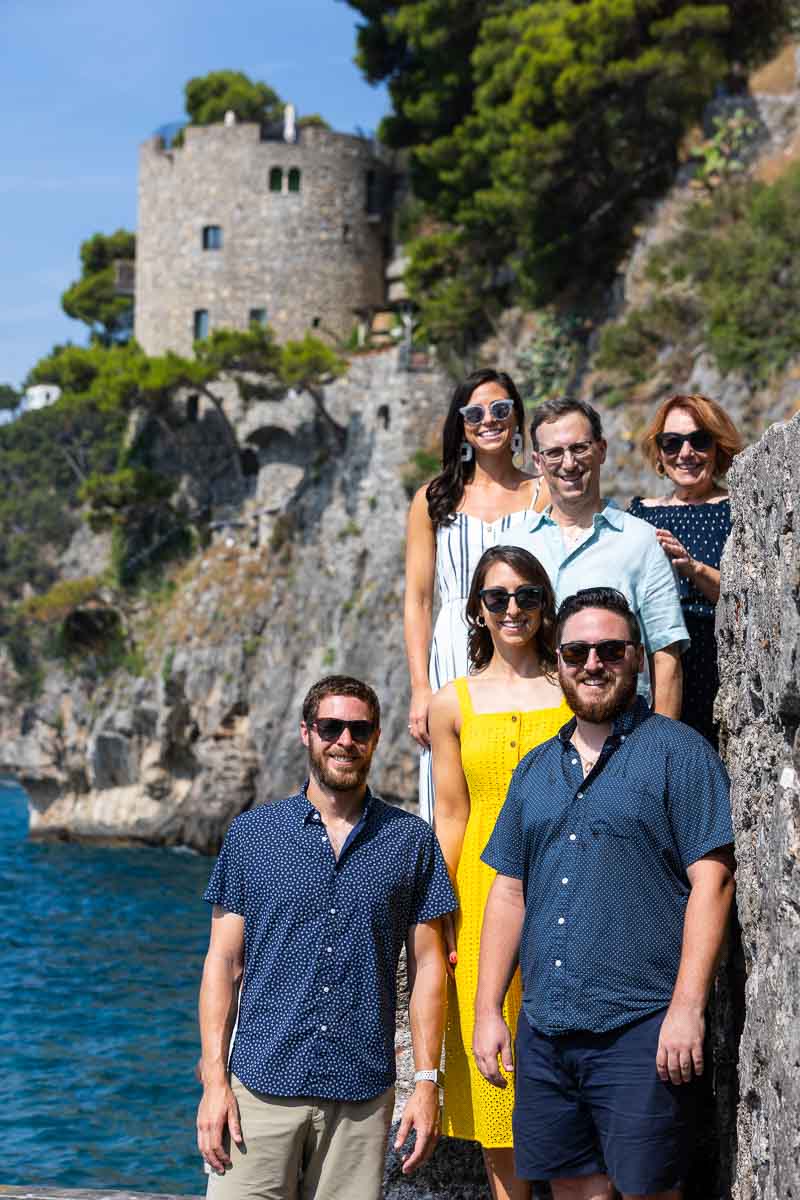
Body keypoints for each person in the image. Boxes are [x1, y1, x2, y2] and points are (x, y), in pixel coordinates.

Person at [473, 588, 736, 1200]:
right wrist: (490, 1010)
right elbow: (508, 891)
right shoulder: (535, 768)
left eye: (609, 649)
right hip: (546, 1028)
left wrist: (688, 1007)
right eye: (577, 652)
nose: (593, 664)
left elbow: (713, 881)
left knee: (650, 1192)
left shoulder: (679, 753)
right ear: (558, 662)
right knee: (572, 1193)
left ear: (637, 658)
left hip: (642, 1026)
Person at [196, 674, 457, 1200]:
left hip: (360, 1101)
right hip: (259, 1094)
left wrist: (427, 1081)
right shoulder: (253, 835)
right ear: (305, 733)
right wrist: (214, 1084)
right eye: (330, 727)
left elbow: (430, 968)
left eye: (358, 730)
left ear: (377, 738)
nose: (344, 741)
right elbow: (223, 964)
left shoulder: (411, 842)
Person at [430, 546, 570, 1200]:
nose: (512, 609)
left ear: (546, 604)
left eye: (526, 595)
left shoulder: (576, 684)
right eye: (496, 598)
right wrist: (439, 914)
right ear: (477, 610)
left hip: (568, 884)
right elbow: (451, 816)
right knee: (497, 1085)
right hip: (481, 894)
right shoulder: (450, 703)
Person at [405, 368, 549, 823]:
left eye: (501, 409)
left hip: (521, 648)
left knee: (521, 769)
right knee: (446, 792)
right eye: (475, 412)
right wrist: (419, 688)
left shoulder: (540, 494)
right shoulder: (433, 498)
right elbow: (418, 599)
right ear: (460, 423)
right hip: (450, 650)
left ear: (516, 419)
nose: (489, 420)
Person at [508, 396, 689, 717]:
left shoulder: (641, 541)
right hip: (530, 728)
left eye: (579, 448)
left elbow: (666, 655)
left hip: (622, 732)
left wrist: (661, 750)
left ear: (602, 449)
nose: (568, 463)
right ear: (537, 462)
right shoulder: (515, 545)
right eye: (554, 453)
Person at [629, 393, 744, 747]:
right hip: (656, 670)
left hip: (719, 663)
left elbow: (751, 600)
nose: (685, 453)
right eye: (672, 442)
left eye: (699, 440)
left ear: (718, 446)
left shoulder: (739, 509)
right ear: (660, 451)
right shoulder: (640, 514)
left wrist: (694, 569)